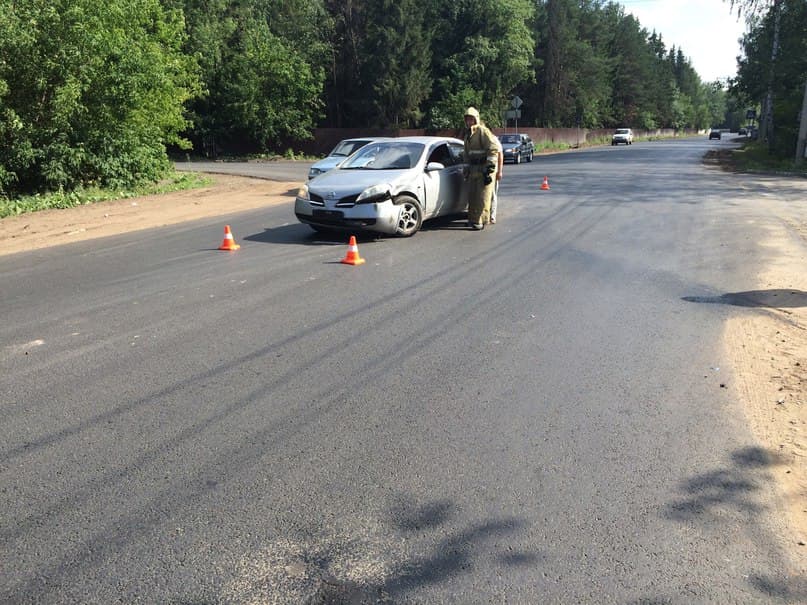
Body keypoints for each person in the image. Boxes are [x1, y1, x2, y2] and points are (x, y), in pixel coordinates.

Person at [463, 107, 502, 230]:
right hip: (473, 168)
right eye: (467, 119)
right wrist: (466, 168)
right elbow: (466, 153)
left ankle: (481, 221)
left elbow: (494, 148)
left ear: (476, 119)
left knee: (482, 196)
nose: (469, 122)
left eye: (471, 119)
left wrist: (490, 169)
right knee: (472, 195)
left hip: (484, 169)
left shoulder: (482, 131)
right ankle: (473, 219)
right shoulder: (468, 134)